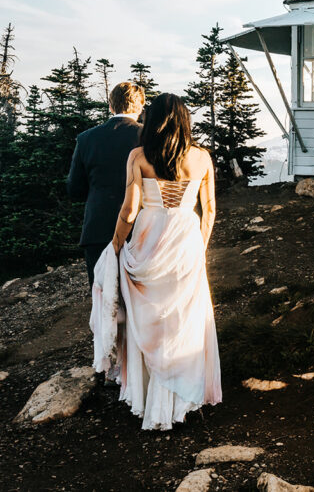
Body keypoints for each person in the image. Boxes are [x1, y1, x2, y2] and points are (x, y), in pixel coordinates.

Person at [89, 93, 221, 430]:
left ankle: (148, 396)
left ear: (152, 120)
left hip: (149, 236)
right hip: (186, 238)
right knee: (182, 318)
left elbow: (130, 210)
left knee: (147, 316)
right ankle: (180, 399)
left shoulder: (139, 156)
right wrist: (200, 249)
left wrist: (116, 245)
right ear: (184, 120)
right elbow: (208, 211)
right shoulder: (203, 157)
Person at [67, 82, 145, 287]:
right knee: (140, 300)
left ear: (111, 106)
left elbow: (74, 189)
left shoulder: (86, 139)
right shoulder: (148, 137)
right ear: (141, 105)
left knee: (103, 298)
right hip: (142, 227)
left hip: (98, 227)